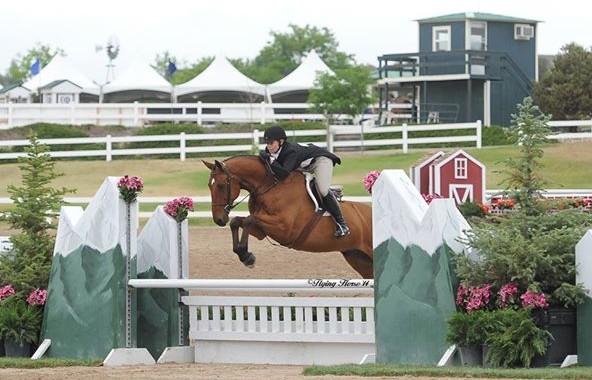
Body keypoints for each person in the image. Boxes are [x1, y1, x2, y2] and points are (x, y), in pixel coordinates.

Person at [258, 125, 350, 237]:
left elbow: (284, 174)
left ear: (281, 141)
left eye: (271, 143)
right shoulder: (271, 150)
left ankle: (342, 224)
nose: (269, 146)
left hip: (320, 161)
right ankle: (330, 191)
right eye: (267, 143)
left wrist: (270, 160)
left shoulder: (291, 151)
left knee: (322, 190)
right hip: (302, 165)